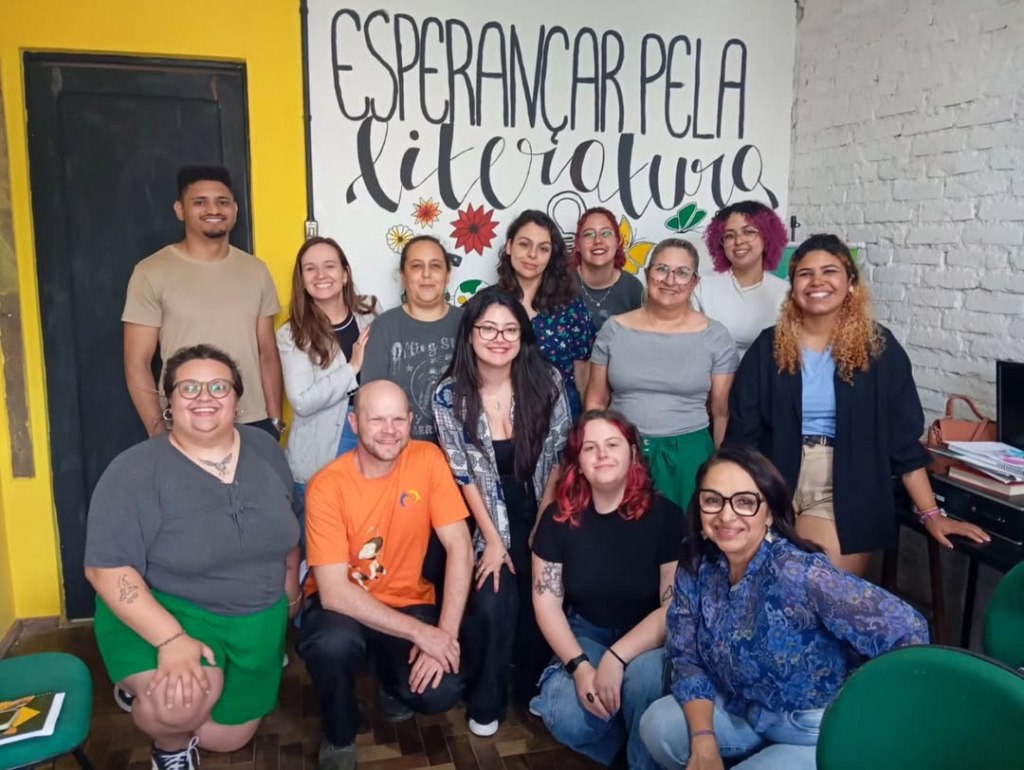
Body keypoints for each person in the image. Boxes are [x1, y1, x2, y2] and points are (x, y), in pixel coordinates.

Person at [638, 445, 929, 770]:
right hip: (743, 710)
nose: (726, 515)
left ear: (769, 514)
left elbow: (909, 629)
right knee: (659, 727)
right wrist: (703, 739)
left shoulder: (800, 574)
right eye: (713, 500)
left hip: (809, 729)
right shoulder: (697, 563)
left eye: (745, 502)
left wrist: (867, 721)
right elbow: (686, 656)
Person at [84, 345, 300, 770]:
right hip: (168, 609)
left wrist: (290, 584)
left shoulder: (265, 449)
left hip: (254, 620)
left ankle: (153, 692)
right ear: (170, 401)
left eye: (219, 387)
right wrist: (171, 640)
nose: (205, 397)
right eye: (189, 388)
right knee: (178, 706)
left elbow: (288, 521)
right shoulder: (134, 470)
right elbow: (105, 569)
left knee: (226, 739)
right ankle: (168, 745)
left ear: (237, 399)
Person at [726, 233, 989, 576]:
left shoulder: (879, 348)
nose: (817, 281)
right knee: (758, 584)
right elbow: (742, 435)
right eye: (805, 273)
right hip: (772, 477)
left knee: (818, 586)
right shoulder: (768, 347)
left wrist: (931, 514)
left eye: (829, 271)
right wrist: (730, 498)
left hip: (847, 481)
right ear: (793, 287)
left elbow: (901, 440)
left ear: (850, 283)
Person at [297, 380, 474, 770]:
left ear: (410, 421)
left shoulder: (427, 459)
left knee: (441, 690)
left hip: (408, 600)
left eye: (398, 419)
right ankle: (339, 734)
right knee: (332, 646)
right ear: (354, 423)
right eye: (377, 420)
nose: (389, 430)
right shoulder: (327, 485)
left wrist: (443, 634)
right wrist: (422, 635)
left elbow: (460, 546)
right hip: (341, 606)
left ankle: (391, 680)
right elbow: (334, 593)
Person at [434, 287, 571, 736]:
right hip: (483, 515)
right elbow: (463, 475)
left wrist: (544, 521)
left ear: (522, 335)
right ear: (470, 334)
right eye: (488, 329)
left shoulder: (547, 381)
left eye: (510, 330)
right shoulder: (449, 394)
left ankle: (534, 688)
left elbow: (559, 455)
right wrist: (493, 540)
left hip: (541, 504)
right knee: (493, 599)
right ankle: (486, 700)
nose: (499, 338)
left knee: (543, 594)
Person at [531, 410, 683, 770]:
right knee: (565, 711)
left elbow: (672, 609)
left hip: (649, 637)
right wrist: (580, 667)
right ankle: (625, 753)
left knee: (645, 679)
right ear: (578, 464)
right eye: (590, 448)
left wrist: (617, 658)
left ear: (633, 453)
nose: (602, 454)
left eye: (613, 444)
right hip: (587, 632)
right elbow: (547, 604)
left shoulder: (666, 517)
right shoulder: (557, 519)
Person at [123, 165, 285, 439]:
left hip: (252, 423)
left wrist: (275, 422)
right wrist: (158, 432)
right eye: (200, 202)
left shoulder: (256, 270)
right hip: (186, 422)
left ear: (235, 210)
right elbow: (137, 362)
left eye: (223, 202)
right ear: (180, 210)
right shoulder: (151, 272)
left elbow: (267, 353)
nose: (213, 209)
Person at [586, 238, 739, 511]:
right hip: (621, 453)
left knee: (686, 532)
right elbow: (596, 401)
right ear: (647, 274)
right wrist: (589, 452)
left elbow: (720, 412)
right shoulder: (614, 329)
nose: (670, 280)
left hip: (689, 457)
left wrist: (721, 466)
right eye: (662, 269)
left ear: (694, 282)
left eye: (682, 273)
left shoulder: (715, 336)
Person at [276, 237, 377, 503]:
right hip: (322, 447)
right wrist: (352, 368)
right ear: (302, 280)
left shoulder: (371, 313)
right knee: (322, 524)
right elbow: (302, 401)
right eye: (310, 269)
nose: (321, 275)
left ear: (345, 274)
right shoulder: (291, 334)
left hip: (372, 432)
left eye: (330, 266)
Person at [496, 209, 596, 419]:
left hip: (562, 417)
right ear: (509, 246)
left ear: (551, 256)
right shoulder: (489, 304)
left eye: (543, 248)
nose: (532, 255)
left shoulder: (570, 306)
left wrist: (586, 424)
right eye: (524, 244)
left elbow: (583, 373)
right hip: (503, 417)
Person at [362, 235, 461, 442]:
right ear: (403, 275)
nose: (426, 274)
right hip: (401, 450)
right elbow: (371, 399)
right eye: (416, 266)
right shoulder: (384, 327)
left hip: (462, 451)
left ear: (448, 275)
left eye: (435, 266)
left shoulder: (469, 323)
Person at [694, 201, 791, 357]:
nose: (739, 241)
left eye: (749, 232)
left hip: (765, 371)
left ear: (767, 237)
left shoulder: (785, 292)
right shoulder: (701, 284)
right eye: (729, 236)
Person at [571, 207, 644, 328]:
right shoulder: (560, 284)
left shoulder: (633, 288)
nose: (597, 241)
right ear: (578, 244)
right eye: (589, 234)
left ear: (618, 241)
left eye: (606, 233)